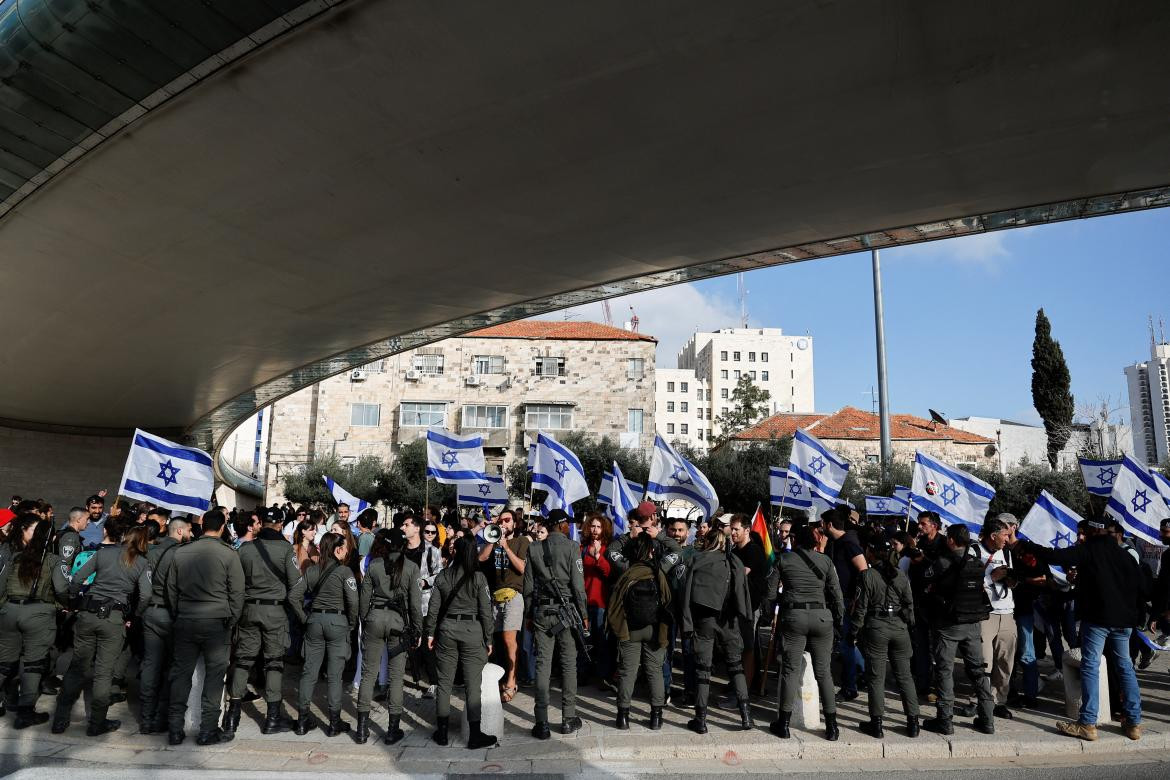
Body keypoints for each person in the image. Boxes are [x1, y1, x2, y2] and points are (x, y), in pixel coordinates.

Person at [1012, 511, 1145, 741]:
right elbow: (1142, 588)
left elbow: (1055, 556)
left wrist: (1023, 544)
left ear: (1093, 531)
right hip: (1124, 622)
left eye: (1084, 532)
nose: (1081, 537)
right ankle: (1133, 722)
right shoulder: (1123, 554)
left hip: (1098, 620)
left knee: (1090, 666)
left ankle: (1087, 723)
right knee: (1125, 667)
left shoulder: (1089, 550)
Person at [53, 517, 150, 737]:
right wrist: (134, 616)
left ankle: (60, 719)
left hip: (88, 614)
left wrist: (74, 602)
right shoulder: (142, 563)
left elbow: (77, 578)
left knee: (77, 667)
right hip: (114, 619)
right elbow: (145, 595)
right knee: (104, 673)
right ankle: (96, 723)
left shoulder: (103, 553)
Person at [162, 510, 245, 745]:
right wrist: (231, 619)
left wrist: (179, 612)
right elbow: (237, 593)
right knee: (214, 678)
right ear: (221, 528)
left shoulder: (181, 553)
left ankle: (175, 728)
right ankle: (207, 730)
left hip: (187, 619)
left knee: (180, 675)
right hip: (217, 623)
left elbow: (171, 589)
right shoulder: (229, 555)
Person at [224, 507, 306, 736]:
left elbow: (235, 584)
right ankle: (272, 719)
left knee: (243, 661)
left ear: (262, 523)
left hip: (249, 611)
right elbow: (296, 585)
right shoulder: (285, 549)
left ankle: (232, 716)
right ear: (280, 524)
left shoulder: (245, 549)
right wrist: (299, 612)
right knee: (273, 663)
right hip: (274, 612)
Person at [769, 520, 844, 741]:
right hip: (822, 617)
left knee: (790, 670)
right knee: (824, 672)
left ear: (794, 539)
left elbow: (770, 591)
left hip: (794, 616)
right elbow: (837, 596)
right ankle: (832, 726)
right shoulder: (826, 561)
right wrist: (839, 621)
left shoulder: (783, 559)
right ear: (815, 541)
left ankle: (783, 724)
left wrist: (768, 613)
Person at [921, 524, 995, 736]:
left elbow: (926, 577)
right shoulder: (976, 561)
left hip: (948, 625)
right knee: (978, 671)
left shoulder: (944, 561)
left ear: (952, 540)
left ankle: (945, 720)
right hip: (972, 624)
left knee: (945, 671)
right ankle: (988, 719)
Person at [423, 535, 497, 749]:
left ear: (456, 552)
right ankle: (475, 734)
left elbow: (434, 608)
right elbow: (485, 611)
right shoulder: (479, 578)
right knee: (473, 685)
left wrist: (430, 633)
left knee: (444, 683)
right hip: (472, 631)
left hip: (447, 630)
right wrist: (489, 637)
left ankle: (443, 732)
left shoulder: (443, 576)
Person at [521, 510, 588, 739]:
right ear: (560, 525)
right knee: (569, 664)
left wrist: (529, 615)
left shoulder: (534, 548)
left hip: (542, 611)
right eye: (567, 523)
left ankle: (542, 723)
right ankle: (568, 718)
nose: (569, 527)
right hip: (567, 612)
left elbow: (528, 587)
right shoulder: (571, 547)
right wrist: (584, 613)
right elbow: (578, 587)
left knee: (543, 665)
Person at [681, 525, 753, 734]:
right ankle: (746, 717)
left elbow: (686, 594)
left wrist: (686, 624)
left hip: (704, 619)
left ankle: (700, 720)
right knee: (735, 667)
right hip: (729, 621)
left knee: (703, 670)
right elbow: (743, 593)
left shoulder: (697, 559)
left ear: (708, 542)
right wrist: (744, 617)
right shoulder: (735, 561)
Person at [0, 515, 69, 728]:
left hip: (9, 611)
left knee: (4, 662)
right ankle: (25, 711)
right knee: (34, 664)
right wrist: (62, 605)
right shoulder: (54, 560)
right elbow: (62, 589)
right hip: (38, 613)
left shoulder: (16, 557)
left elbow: (1, 585)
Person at [355, 527, 421, 745]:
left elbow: (364, 598)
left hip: (375, 617)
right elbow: (414, 604)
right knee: (396, 677)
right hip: (398, 622)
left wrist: (365, 619)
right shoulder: (411, 567)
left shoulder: (373, 565)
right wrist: (417, 628)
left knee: (368, 674)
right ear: (402, 545)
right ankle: (393, 730)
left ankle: (362, 729)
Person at [851, 534, 919, 738]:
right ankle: (913, 722)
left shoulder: (867, 576)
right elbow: (909, 605)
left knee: (876, 677)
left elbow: (860, 609)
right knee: (905, 676)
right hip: (899, 627)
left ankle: (877, 723)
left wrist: (853, 632)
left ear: (871, 552)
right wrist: (909, 626)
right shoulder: (900, 574)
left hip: (877, 627)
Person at [297, 532, 359, 737]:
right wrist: (350, 624)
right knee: (335, 676)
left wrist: (305, 618)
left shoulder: (313, 570)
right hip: (337, 623)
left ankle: (302, 721)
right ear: (336, 549)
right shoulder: (345, 572)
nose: (347, 550)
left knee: (309, 672)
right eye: (344, 547)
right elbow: (353, 602)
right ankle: (334, 723)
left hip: (314, 622)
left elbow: (293, 596)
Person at [607, 533, 672, 731]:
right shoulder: (658, 572)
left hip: (630, 630)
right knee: (655, 672)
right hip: (654, 630)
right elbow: (667, 602)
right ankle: (656, 718)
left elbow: (615, 606)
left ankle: (623, 717)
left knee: (628, 673)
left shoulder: (628, 573)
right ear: (651, 552)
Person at [137, 516, 191, 734]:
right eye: (188, 529)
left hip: (150, 611)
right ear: (179, 531)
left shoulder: (150, 552)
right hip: (170, 613)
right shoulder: (181, 554)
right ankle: (162, 716)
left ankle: (146, 718)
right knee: (172, 666)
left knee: (150, 664)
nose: (190, 532)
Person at [479, 508, 529, 703]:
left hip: (513, 596)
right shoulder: (493, 539)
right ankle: (499, 677)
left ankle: (512, 680)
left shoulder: (521, 541)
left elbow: (522, 567)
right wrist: (492, 541)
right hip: (495, 597)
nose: (503, 523)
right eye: (501, 520)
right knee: (496, 643)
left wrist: (506, 547)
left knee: (510, 640)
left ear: (514, 524)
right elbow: (481, 559)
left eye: (507, 520)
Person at [824, 507, 867, 701]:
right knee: (846, 642)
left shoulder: (849, 543)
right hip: (839, 600)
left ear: (829, 525)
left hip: (848, 601)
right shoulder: (836, 542)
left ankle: (850, 687)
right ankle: (861, 672)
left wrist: (856, 601)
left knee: (846, 644)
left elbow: (863, 570)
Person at [977, 516, 1018, 719]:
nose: (1007, 538)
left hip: (1007, 613)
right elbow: (968, 580)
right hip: (985, 614)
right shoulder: (975, 551)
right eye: (1004, 535)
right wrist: (991, 577)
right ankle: (979, 700)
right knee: (984, 662)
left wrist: (1010, 579)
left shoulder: (1007, 553)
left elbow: (1012, 583)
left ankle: (999, 701)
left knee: (1005, 662)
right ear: (993, 536)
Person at [580, 513, 613, 686]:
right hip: (583, 601)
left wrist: (599, 556)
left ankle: (602, 676)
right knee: (583, 639)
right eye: (592, 526)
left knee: (601, 640)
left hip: (599, 602)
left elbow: (608, 572)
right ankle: (582, 672)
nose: (595, 529)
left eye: (598, 526)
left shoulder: (607, 549)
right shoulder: (582, 548)